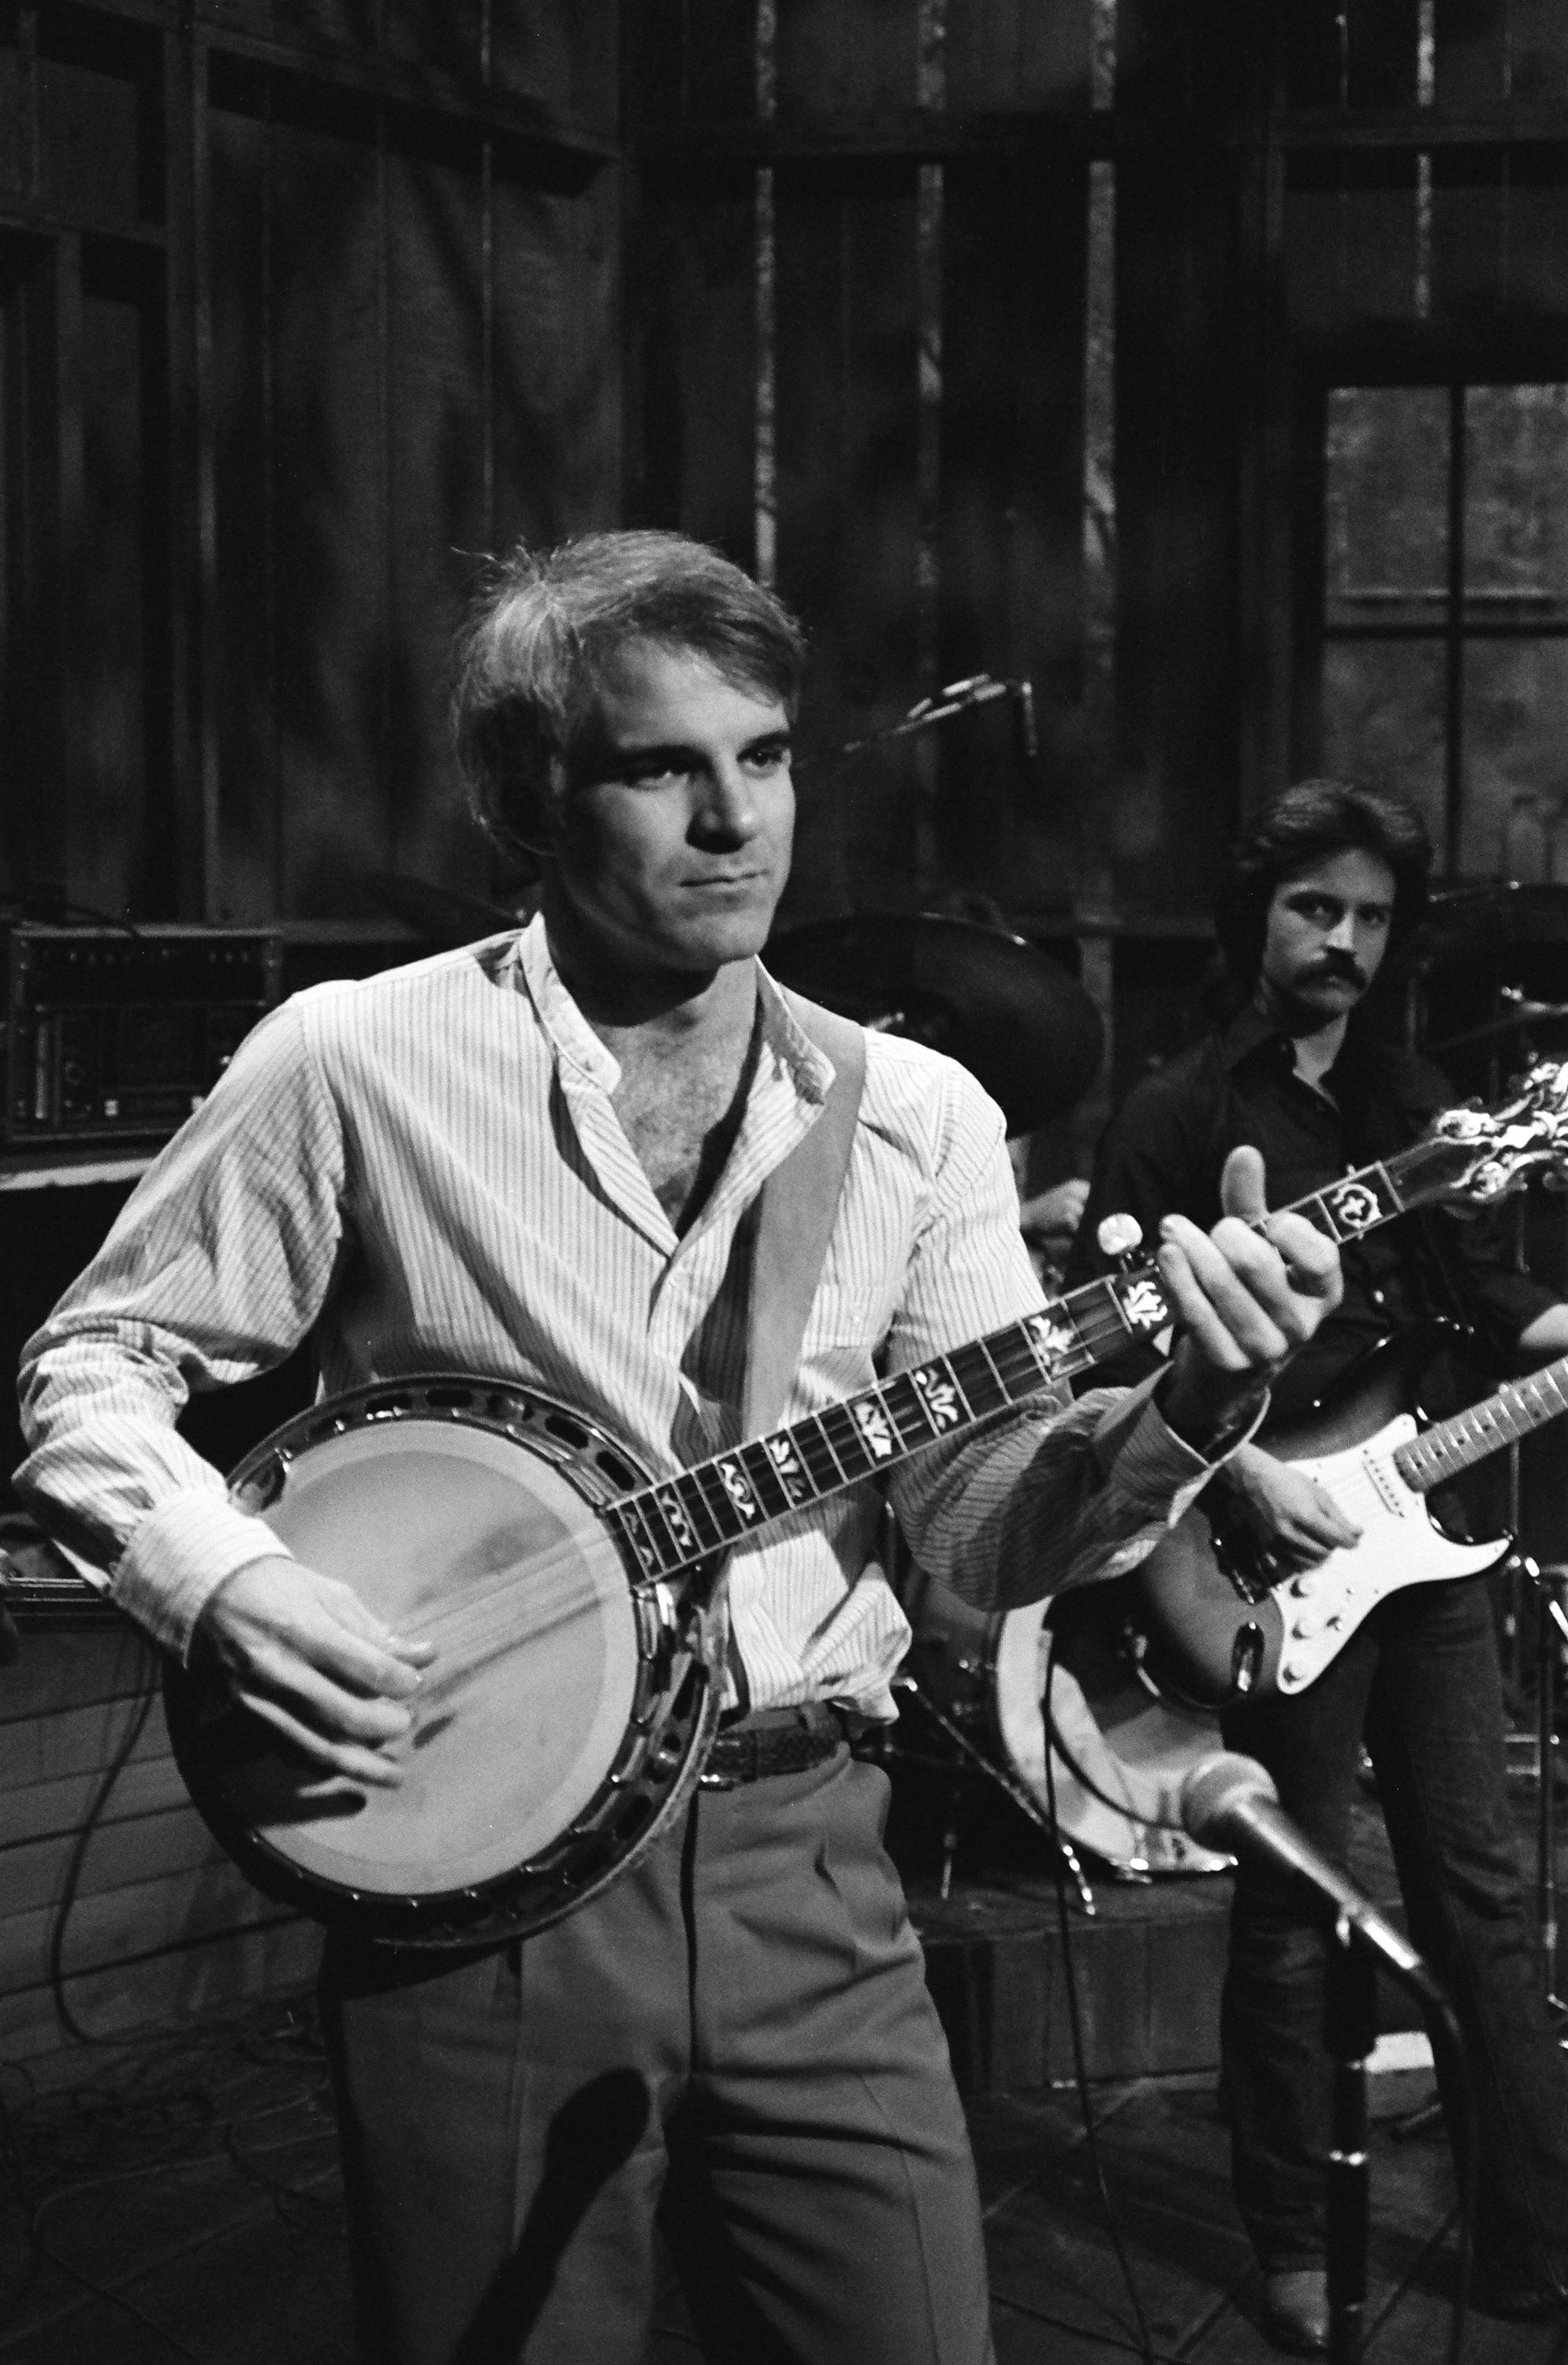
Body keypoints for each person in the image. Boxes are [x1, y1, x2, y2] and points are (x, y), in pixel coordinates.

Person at [14, 532, 1340, 2365]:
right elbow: (99, 1362)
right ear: (528, 800)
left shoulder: (916, 1117)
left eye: (767, 756)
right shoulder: (356, 1059)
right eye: (660, 768)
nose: (736, 821)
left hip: (813, 1855)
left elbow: (969, 1540)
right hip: (478, 1885)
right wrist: (215, 1576)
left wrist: (1188, 1407)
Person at [1066, 777, 1568, 2352]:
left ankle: (1526, 2243)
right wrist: (1241, 1471)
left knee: (1479, 1898)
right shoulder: (1172, 1112)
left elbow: (1496, 1314)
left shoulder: (1421, 1108)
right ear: (1257, 917)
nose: (1341, 942)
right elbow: (1104, 1365)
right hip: (1263, 1537)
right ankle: (1289, 2236)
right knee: (1296, 1907)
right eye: (1312, 910)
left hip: (1425, 1544)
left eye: (1365, 917)